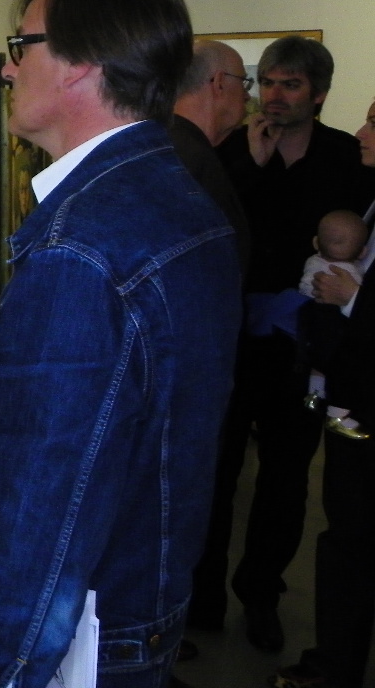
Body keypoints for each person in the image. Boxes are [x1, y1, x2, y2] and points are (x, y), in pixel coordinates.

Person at [0, 0, 242, 688]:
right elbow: (139, 385)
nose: (8, 68)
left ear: (82, 62)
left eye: (21, 45)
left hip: (83, 645)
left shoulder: (81, 252)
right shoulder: (177, 201)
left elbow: (34, 549)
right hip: (141, 603)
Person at [191, 37, 374, 651]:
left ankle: (261, 594)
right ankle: (203, 596)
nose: (274, 95)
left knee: (285, 479)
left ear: (318, 94)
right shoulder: (228, 151)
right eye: (267, 82)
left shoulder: (347, 157)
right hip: (228, 337)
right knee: (214, 472)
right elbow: (208, 228)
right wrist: (249, 162)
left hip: (302, 347)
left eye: (290, 84)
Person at [274, 99, 375, 688]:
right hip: (351, 399)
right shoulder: (369, 196)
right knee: (346, 543)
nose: (361, 131)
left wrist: (352, 299)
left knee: (351, 546)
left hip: (367, 408)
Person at [169, 38, 253, 273]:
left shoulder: (170, 144)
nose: (247, 96)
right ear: (219, 83)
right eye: (244, 83)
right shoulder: (188, 158)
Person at [297, 210, 368, 439]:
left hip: (313, 324)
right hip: (338, 329)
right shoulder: (351, 272)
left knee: (320, 362)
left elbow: (306, 287)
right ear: (363, 251)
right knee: (341, 368)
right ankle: (337, 415)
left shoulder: (313, 262)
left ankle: (314, 394)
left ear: (316, 242)